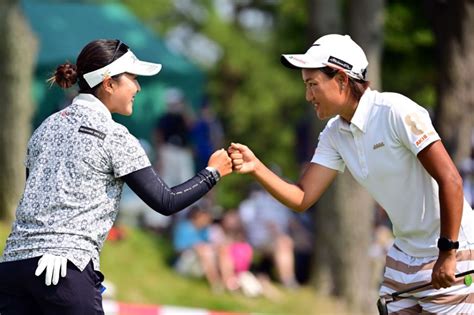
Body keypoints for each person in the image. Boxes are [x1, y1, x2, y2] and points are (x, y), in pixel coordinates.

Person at [228, 34, 474, 314]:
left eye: (313, 85)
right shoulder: (334, 133)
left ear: (342, 80)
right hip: (404, 254)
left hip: (452, 250)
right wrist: (256, 167)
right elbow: (302, 197)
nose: (308, 96)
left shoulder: (395, 110)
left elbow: (451, 179)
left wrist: (448, 251)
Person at [0, 39, 232, 315]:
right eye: (133, 78)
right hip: (64, 273)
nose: (138, 87)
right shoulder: (115, 136)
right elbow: (166, 201)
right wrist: (212, 173)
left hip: (12, 269)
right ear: (108, 83)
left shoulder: (46, 127)